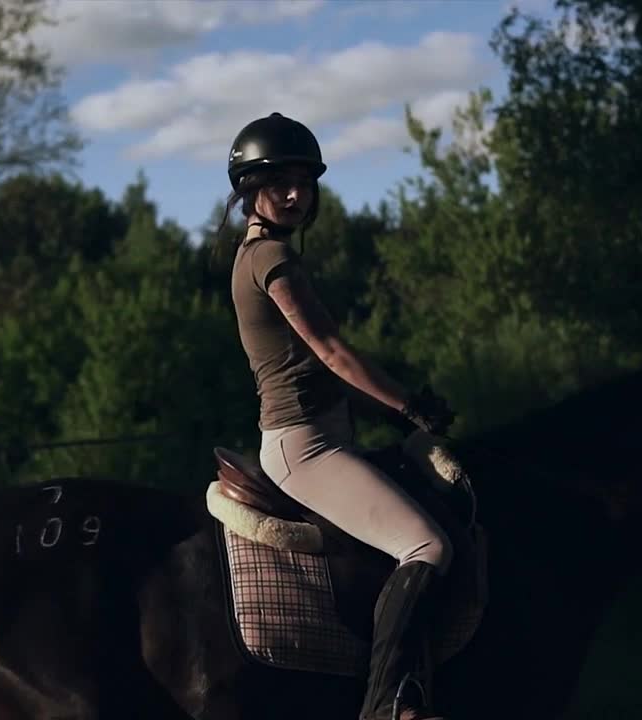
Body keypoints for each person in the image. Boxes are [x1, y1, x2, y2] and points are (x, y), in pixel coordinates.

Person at [218, 112, 457, 720]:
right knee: (427, 546)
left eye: (305, 182)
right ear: (249, 191)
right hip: (306, 449)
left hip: (327, 438)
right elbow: (332, 352)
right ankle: (387, 706)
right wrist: (411, 405)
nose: (296, 194)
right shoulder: (270, 256)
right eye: (280, 183)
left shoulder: (263, 253)